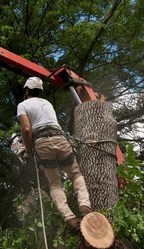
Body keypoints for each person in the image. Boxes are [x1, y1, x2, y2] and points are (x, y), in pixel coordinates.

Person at [17, 76, 92, 232]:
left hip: (42, 144)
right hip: (60, 139)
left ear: (26, 90)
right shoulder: (47, 103)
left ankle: (71, 220)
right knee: (76, 175)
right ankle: (85, 208)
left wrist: (28, 152)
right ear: (39, 90)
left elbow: (26, 129)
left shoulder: (23, 105)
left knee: (55, 184)